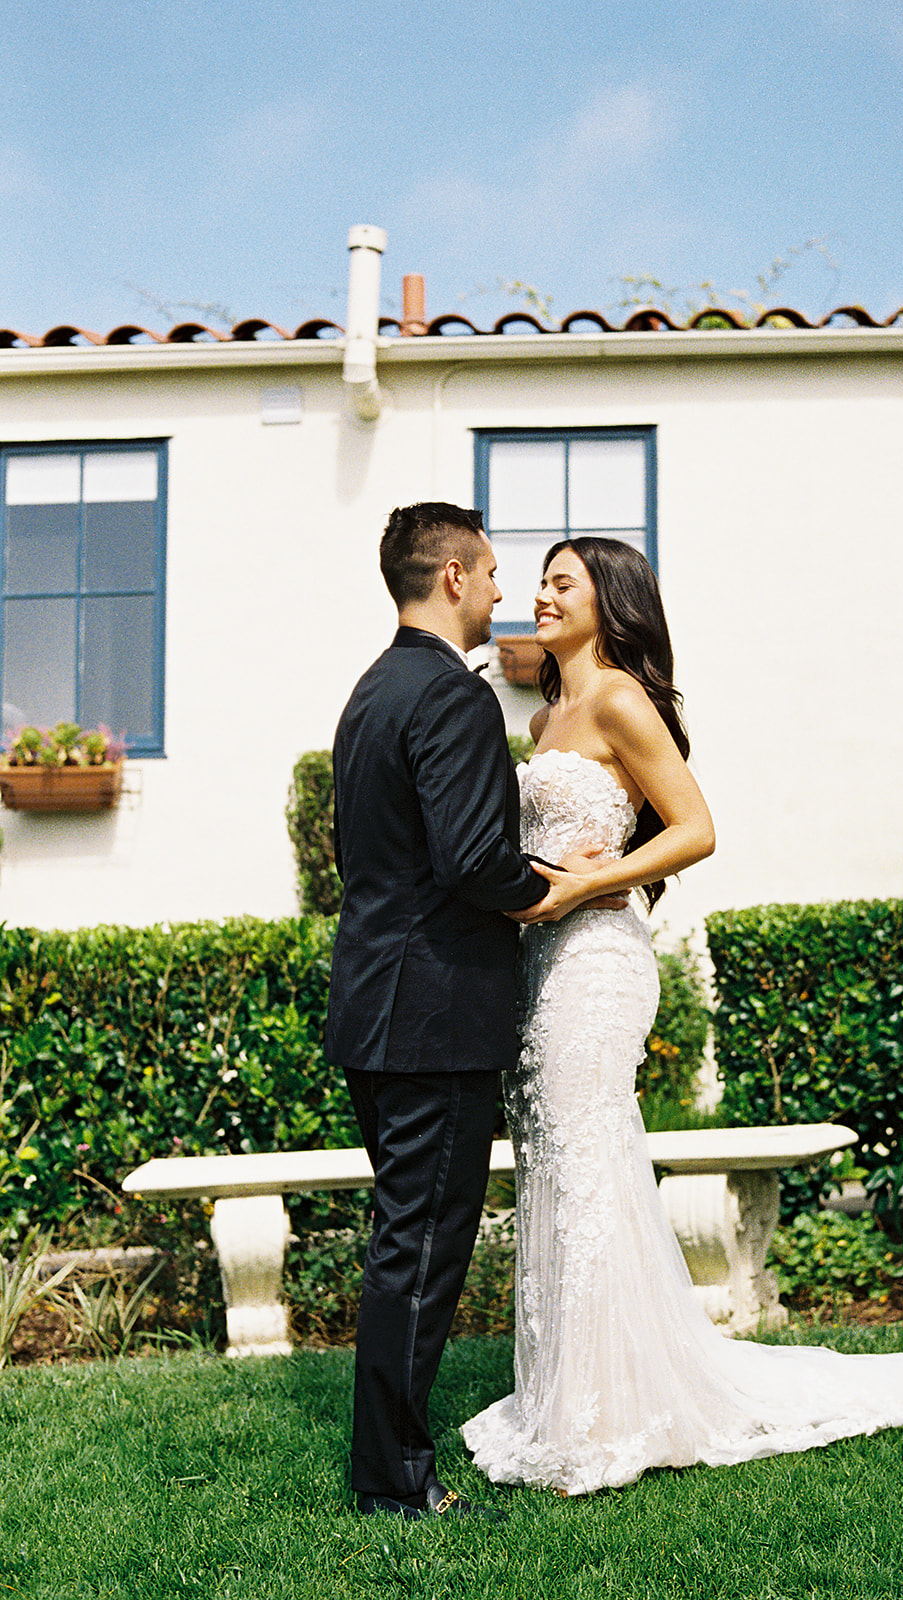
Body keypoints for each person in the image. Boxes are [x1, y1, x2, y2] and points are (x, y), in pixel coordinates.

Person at [462, 535, 903, 1496]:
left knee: (587, 1164)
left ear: (607, 601)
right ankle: (569, 1391)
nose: (539, 595)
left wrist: (593, 884)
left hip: (598, 966)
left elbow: (697, 827)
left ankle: (611, 1410)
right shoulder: (546, 717)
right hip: (538, 968)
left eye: (561, 582)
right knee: (562, 1165)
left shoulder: (619, 696)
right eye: (538, 580)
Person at [326, 504, 616, 1522]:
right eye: (491, 572)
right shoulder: (446, 695)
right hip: (432, 1017)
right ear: (450, 575)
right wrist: (561, 877)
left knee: (405, 1234)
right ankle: (393, 1479)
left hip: (376, 1007)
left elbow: (372, 856)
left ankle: (388, 1458)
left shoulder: (370, 691)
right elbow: (469, 862)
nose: (502, 592)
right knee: (421, 1242)